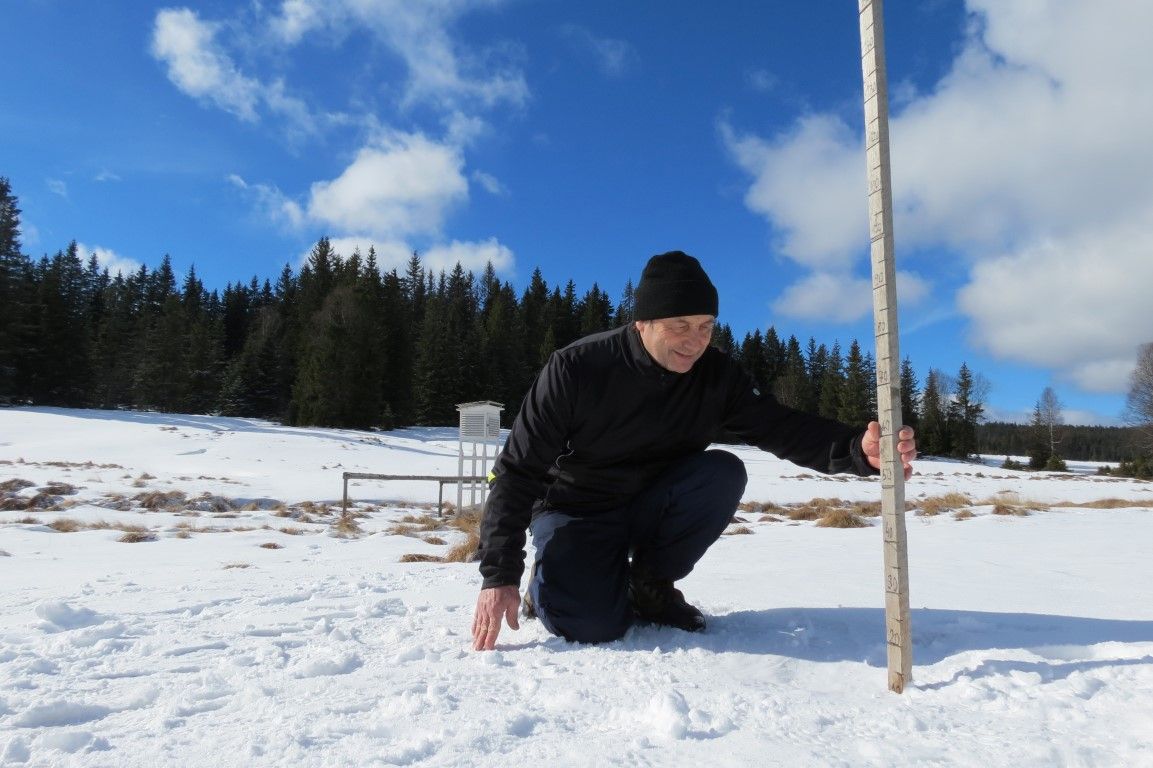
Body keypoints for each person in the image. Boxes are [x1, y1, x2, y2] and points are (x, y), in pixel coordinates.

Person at [472, 251, 916, 650]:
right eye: (679, 326)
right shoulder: (576, 369)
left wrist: (858, 450)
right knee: (589, 625)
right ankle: (548, 587)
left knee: (721, 471)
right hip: (575, 509)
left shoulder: (716, 377)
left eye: (705, 327)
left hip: (651, 504)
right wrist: (500, 575)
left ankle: (649, 584)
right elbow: (516, 471)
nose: (695, 340)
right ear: (642, 322)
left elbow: (781, 427)